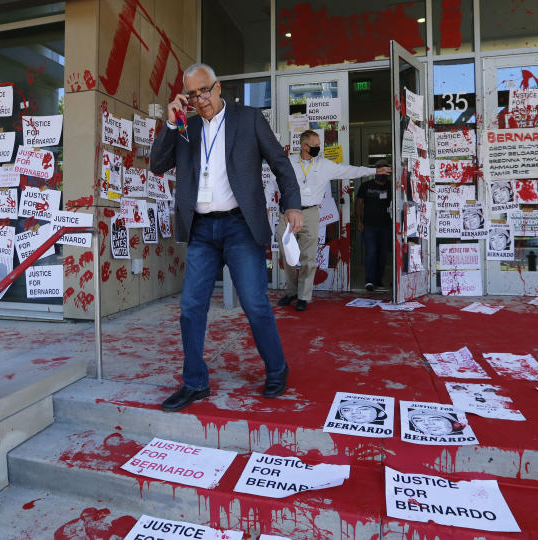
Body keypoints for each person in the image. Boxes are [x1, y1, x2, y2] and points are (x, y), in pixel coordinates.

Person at [150, 63, 304, 412]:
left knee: (254, 301)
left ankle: (277, 368)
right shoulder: (184, 126)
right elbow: (157, 165)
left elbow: (281, 164)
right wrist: (170, 122)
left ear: (218, 87)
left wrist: (291, 205)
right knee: (191, 307)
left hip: (240, 226)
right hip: (201, 229)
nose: (199, 99)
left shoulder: (248, 119)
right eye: (191, 94)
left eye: (204, 90)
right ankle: (194, 383)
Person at [276, 131, 390, 310]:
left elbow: (350, 170)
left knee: (308, 258)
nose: (318, 148)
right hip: (288, 213)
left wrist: (374, 171)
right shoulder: (288, 162)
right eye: (315, 145)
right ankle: (291, 292)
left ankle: (304, 296)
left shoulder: (324, 165)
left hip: (310, 214)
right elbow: (274, 183)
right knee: (287, 255)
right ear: (304, 146)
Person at [355, 163, 393, 292]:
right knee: (371, 252)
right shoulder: (366, 185)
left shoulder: (391, 186)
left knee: (382, 254)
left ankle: (378, 280)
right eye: (380, 171)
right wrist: (359, 221)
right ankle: (370, 281)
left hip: (387, 226)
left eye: (386, 171)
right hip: (369, 225)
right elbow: (359, 203)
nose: (382, 174)